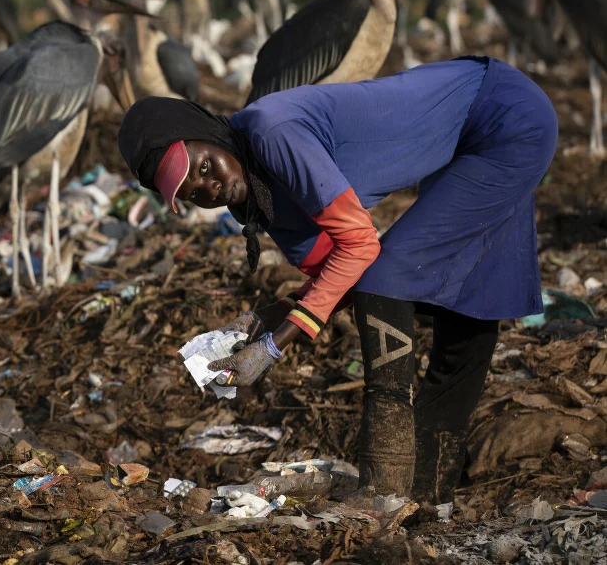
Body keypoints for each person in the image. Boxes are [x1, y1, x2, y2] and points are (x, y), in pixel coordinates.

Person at [116, 56, 557, 504]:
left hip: (503, 115)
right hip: (474, 134)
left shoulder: (272, 132)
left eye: (205, 167)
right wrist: (263, 320)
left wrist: (273, 347)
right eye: (192, 194)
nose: (209, 188)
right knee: (466, 305)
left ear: (212, 135)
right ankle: (428, 493)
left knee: (388, 279)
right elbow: (341, 276)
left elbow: (362, 250)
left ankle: (385, 487)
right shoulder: (261, 201)